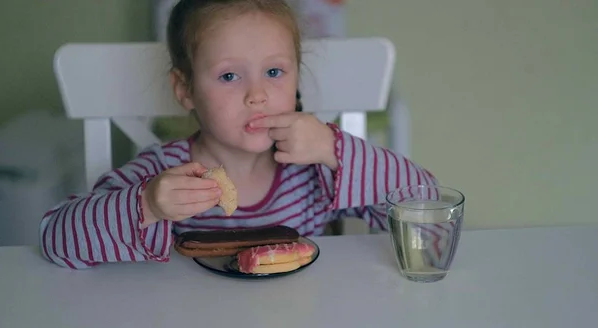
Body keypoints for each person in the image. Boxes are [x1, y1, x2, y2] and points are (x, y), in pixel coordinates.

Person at [39, 0, 438, 269]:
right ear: (185, 89)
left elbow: (428, 210)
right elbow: (56, 240)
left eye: (275, 72)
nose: (257, 94)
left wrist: (334, 150)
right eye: (229, 75)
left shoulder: (316, 169)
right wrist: (146, 205)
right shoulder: (163, 171)